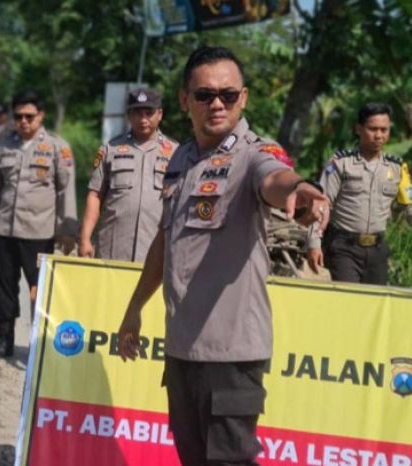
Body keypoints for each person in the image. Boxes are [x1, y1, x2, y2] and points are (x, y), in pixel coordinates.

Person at [116, 46, 329, 466]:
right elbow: (166, 238)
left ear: (243, 98)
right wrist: (134, 308)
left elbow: (276, 178)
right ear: (184, 101)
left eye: (228, 95)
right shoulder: (180, 158)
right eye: (205, 95)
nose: (217, 103)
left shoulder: (254, 153)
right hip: (182, 350)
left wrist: (299, 192)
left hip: (231, 357)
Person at [0, 90, 78, 358]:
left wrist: (67, 231)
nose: (23, 121)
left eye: (29, 116)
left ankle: (43, 345)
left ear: (41, 116)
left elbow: (65, 190)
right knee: (3, 286)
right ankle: (5, 339)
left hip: (38, 233)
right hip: (4, 230)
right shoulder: (4, 147)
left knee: (41, 290)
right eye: (19, 116)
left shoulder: (57, 147)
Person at [307, 103, 412, 284]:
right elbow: (321, 205)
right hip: (343, 248)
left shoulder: (398, 168)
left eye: (384, 130)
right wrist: (313, 244)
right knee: (349, 302)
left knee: (374, 306)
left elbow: (411, 207)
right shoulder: (340, 164)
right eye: (373, 129)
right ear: (359, 129)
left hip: (377, 250)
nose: (379, 135)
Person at [78, 88, 178, 262]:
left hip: (156, 250)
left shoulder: (176, 153)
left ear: (160, 114)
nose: (143, 119)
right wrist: (85, 238)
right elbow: (95, 194)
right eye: (137, 113)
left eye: (149, 113)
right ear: (129, 115)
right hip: (114, 247)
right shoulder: (110, 149)